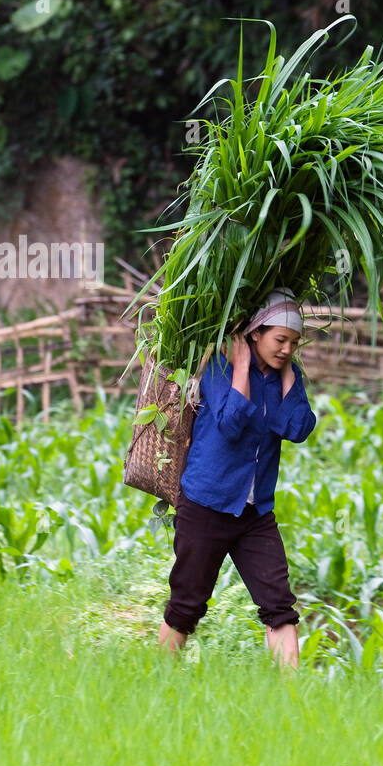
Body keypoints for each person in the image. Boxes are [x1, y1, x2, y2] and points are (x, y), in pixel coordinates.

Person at [156, 287, 317, 670]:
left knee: (279, 605)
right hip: (206, 504)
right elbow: (230, 424)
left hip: (254, 513)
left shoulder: (285, 377)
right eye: (280, 340)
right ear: (255, 333)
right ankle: (157, 677)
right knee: (187, 604)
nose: (286, 349)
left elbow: (298, 427)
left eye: (294, 343)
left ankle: (292, 700)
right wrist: (241, 368)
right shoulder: (218, 366)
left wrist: (289, 374)